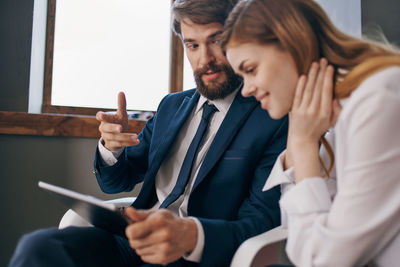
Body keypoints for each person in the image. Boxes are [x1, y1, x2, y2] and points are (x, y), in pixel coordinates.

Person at [9, 0, 288, 266]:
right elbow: (117, 181)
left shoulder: (271, 117)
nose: (205, 59)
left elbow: (260, 221)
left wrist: (189, 234)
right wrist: (111, 147)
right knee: (39, 247)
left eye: (216, 40)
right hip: (130, 240)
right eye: (192, 45)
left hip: (191, 254)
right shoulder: (171, 106)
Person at [222, 0, 400, 266]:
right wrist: (299, 140)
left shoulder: (377, 102)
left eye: (250, 69)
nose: (246, 89)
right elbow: (300, 236)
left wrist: (303, 144)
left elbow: (320, 260)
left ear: (293, 44)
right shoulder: (339, 120)